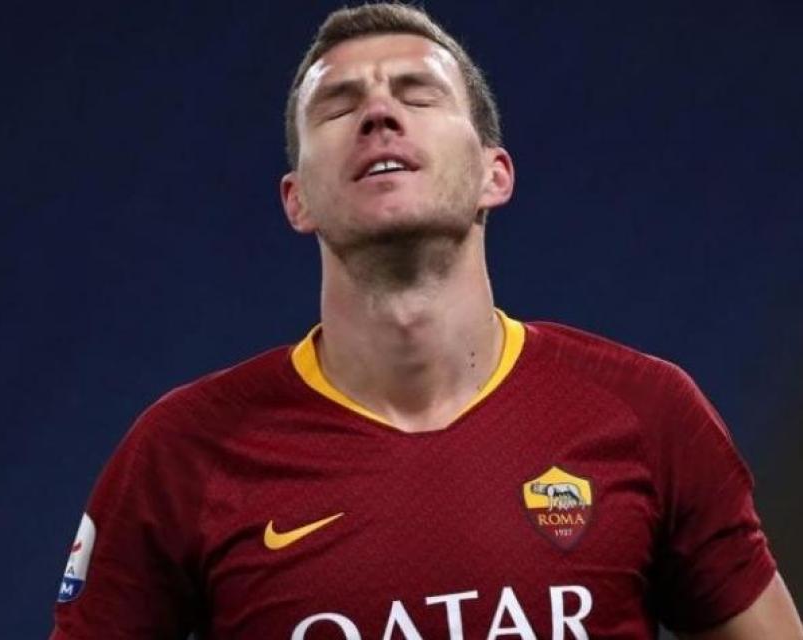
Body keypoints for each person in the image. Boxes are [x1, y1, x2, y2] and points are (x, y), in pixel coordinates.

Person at [50, 3, 803, 639]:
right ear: (296, 199)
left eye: (418, 95)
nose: (378, 113)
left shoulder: (647, 411)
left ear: (493, 174)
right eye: (337, 106)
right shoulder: (182, 452)